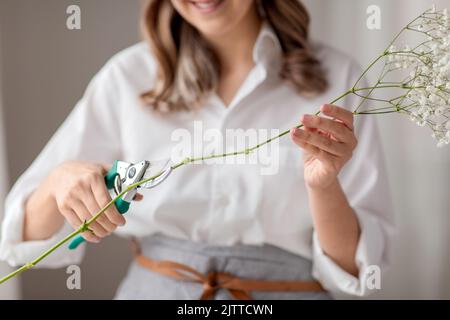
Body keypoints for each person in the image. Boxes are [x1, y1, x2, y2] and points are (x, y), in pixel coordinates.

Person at [0, 0, 394, 299]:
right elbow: (21, 241)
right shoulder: (127, 77)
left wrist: (323, 186)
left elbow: (356, 269)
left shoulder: (340, 80)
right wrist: (58, 182)